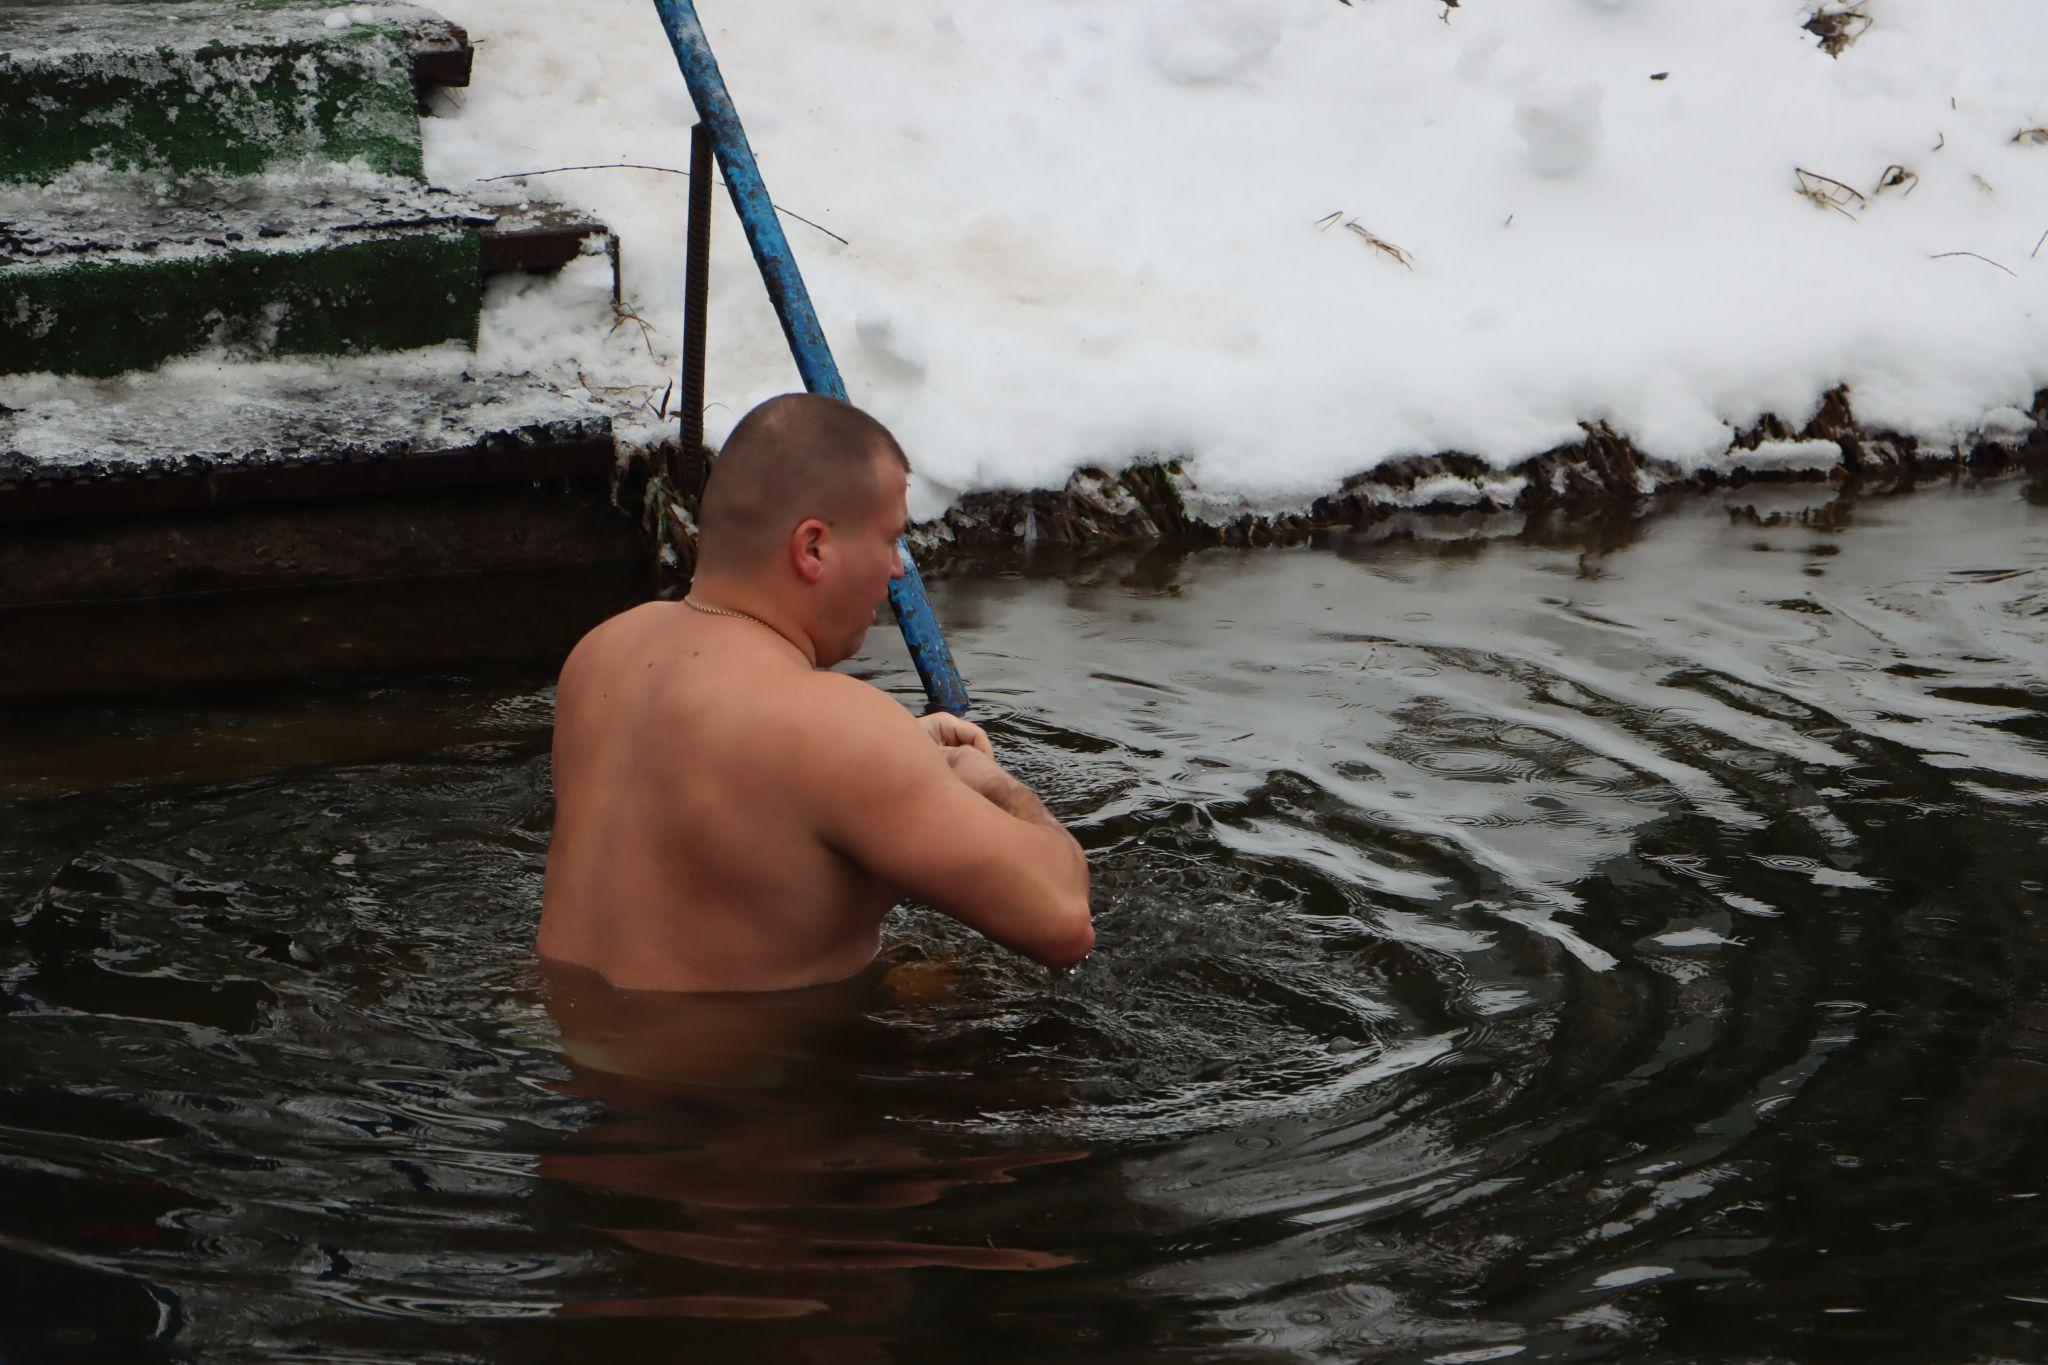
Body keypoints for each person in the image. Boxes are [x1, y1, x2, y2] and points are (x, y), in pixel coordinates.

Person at [537, 393, 1093, 993]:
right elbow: (1063, 922)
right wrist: (983, 780)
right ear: (813, 548)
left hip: (569, 1063)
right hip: (742, 1080)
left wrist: (901, 753)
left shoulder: (601, 653)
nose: (897, 569)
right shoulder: (833, 728)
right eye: (889, 540)